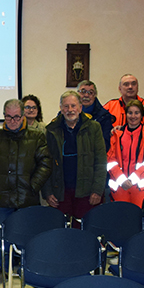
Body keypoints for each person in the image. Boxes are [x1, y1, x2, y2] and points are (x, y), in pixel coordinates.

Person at [0, 98, 51, 281]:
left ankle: (27, 269)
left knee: (28, 236)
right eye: (8, 117)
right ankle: (4, 270)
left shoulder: (36, 137)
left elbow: (45, 164)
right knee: (4, 236)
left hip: (27, 197)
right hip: (3, 198)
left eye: (16, 117)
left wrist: (33, 186)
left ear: (23, 116)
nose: (12, 121)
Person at [43, 91, 107, 220]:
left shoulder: (93, 128)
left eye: (73, 106)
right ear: (60, 108)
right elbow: (45, 164)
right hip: (60, 192)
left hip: (87, 192)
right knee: (62, 231)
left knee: (85, 230)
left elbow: (100, 161)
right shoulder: (51, 130)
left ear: (80, 108)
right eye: (66, 106)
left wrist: (97, 190)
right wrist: (48, 193)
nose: (70, 110)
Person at [106, 100, 144, 214]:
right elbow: (110, 161)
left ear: (142, 115)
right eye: (130, 113)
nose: (133, 116)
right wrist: (122, 180)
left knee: (141, 225)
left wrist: (132, 180)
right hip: (119, 189)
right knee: (121, 224)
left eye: (136, 113)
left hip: (141, 190)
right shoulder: (117, 135)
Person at [77, 80, 113, 151]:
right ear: (77, 94)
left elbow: (105, 144)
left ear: (95, 95)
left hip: (93, 158)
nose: (86, 95)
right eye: (83, 91)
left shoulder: (104, 117)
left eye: (90, 92)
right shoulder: (67, 113)